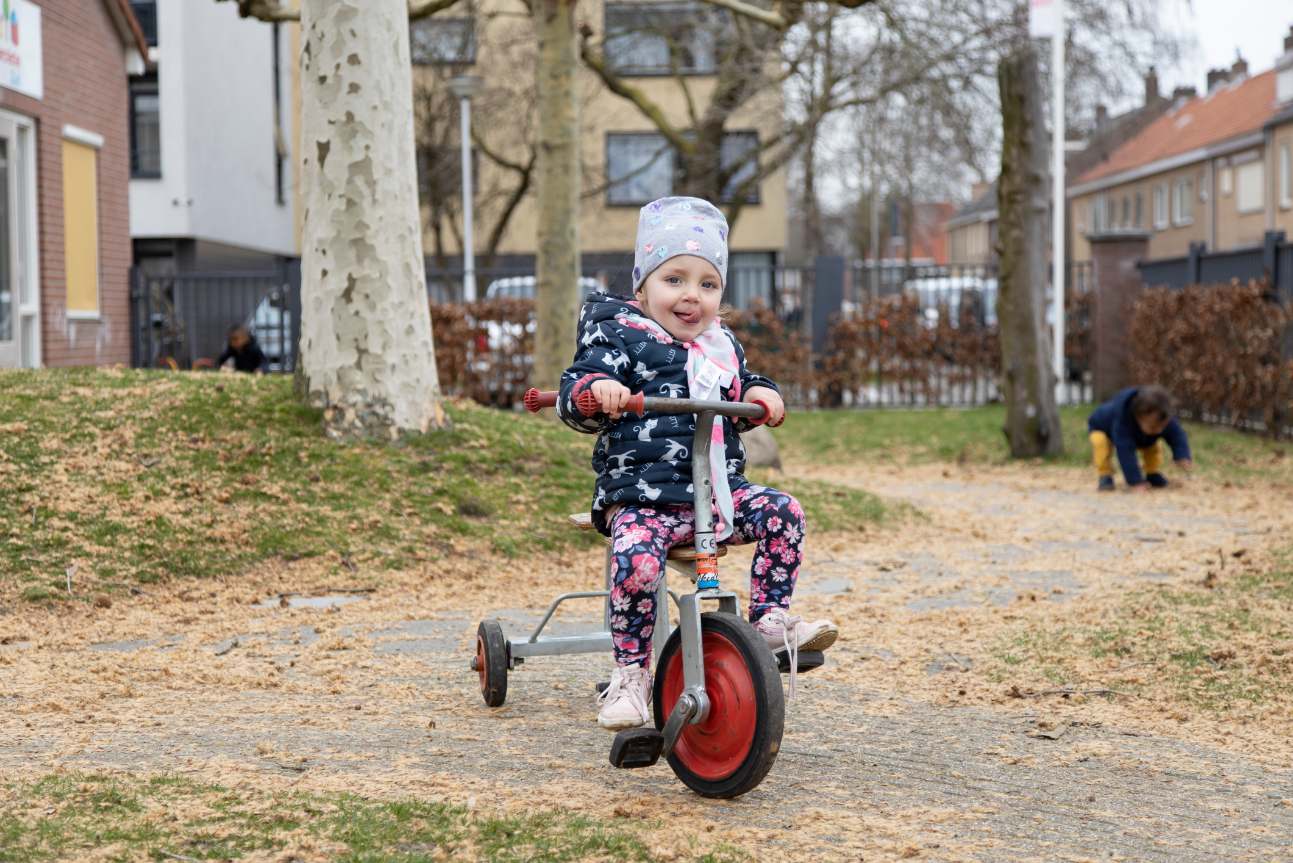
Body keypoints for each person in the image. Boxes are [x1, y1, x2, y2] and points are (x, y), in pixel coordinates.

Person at [557, 195, 838, 731]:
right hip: (645, 499)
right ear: (642, 287)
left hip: (718, 498)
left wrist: (763, 394)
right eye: (675, 280)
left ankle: (771, 619)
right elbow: (578, 391)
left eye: (708, 285)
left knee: (786, 513)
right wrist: (600, 391)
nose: (692, 296)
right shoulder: (617, 334)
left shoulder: (720, 344)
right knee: (637, 563)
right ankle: (632, 677)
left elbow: (744, 384)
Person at [1087, 384, 1193, 492]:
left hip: (1132, 431)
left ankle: (1152, 474)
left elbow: (1177, 435)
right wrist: (1135, 481)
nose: (1159, 430)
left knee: (1153, 445)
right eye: (1153, 427)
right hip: (1101, 427)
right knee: (1102, 446)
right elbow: (1125, 452)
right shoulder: (1123, 421)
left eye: (1163, 426)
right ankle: (1105, 476)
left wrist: (1182, 455)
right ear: (1138, 417)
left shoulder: (1160, 415)